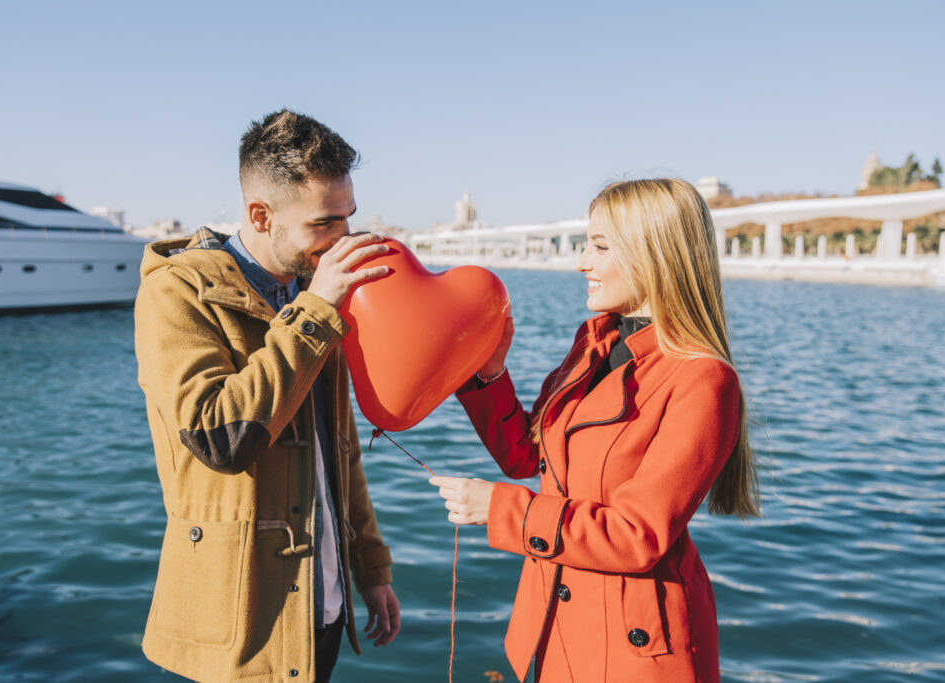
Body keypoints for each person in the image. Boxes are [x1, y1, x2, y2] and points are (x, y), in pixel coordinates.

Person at [430, 178, 760, 682]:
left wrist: (500, 509)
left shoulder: (703, 380)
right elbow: (527, 456)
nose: (581, 261)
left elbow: (637, 535)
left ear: (656, 255)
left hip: (635, 649)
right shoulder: (593, 344)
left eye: (599, 247)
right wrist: (491, 373)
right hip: (554, 623)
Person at [134, 109, 400, 682]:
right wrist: (316, 312)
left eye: (347, 218)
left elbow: (341, 449)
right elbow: (220, 438)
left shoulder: (312, 296)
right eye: (324, 224)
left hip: (321, 611)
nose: (342, 241)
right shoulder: (177, 292)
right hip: (242, 625)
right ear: (260, 215)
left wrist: (372, 569)